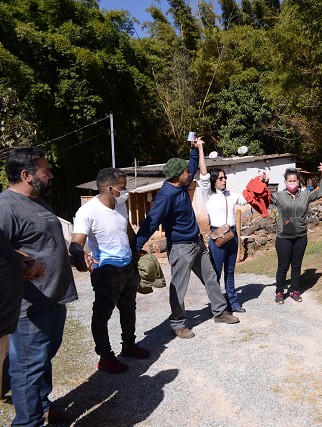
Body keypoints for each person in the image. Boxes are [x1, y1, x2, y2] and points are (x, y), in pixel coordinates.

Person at [0, 146, 77, 426]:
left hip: (54, 299)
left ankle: (43, 407)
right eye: (46, 171)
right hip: (29, 308)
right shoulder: (5, 206)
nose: (51, 175)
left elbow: (45, 243)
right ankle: (27, 422)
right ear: (27, 175)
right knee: (27, 369)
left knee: (42, 361)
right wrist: (20, 262)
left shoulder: (39, 202)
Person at [135, 137, 239, 340]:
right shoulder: (166, 196)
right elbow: (151, 221)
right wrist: (137, 245)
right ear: (177, 176)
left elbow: (192, 165)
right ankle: (178, 323)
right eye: (185, 172)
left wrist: (194, 150)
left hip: (197, 243)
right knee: (179, 286)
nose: (189, 173)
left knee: (210, 277)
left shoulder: (181, 184)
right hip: (180, 248)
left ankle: (220, 311)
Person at [69, 168, 150, 374]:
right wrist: (79, 255)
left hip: (127, 266)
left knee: (128, 308)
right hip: (106, 271)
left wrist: (137, 249)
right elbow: (76, 242)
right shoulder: (87, 211)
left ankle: (129, 346)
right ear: (109, 188)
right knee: (102, 314)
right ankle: (105, 357)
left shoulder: (120, 204)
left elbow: (127, 230)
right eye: (122, 188)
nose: (125, 191)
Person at [196, 140, 266, 313]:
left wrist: (259, 181)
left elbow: (248, 198)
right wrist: (200, 148)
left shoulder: (232, 195)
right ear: (214, 181)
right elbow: (203, 174)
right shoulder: (208, 195)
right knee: (216, 273)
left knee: (230, 272)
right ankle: (219, 305)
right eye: (220, 178)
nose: (224, 180)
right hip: (217, 235)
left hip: (232, 235)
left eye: (225, 177)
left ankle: (233, 302)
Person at [272, 165, 322, 304]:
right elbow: (262, 197)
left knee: (296, 266)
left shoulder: (305, 195)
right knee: (283, 266)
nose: (292, 183)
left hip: (300, 237)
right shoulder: (278, 196)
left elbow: (321, 191)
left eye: (295, 181)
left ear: (299, 182)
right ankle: (279, 291)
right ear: (285, 183)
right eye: (289, 181)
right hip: (284, 237)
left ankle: (294, 290)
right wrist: (261, 182)